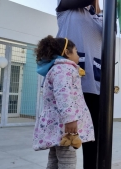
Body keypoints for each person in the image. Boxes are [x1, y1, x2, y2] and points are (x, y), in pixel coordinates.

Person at [32, 35, 95, 169]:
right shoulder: (64, 69)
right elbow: (63, 94)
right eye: (76, 51)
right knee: (67, 159)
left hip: (58, 123)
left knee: (55, 158)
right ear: (67, 52)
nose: (78, 55)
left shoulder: (56, 69)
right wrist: (70, 119)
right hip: (64, 126)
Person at [56, 0, 103, 168]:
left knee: (93, 141)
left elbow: (109, 34)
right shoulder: (66, 6)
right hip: (67, 87)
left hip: (94, 86)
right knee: (64, 143)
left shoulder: (99, 16)